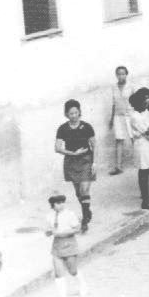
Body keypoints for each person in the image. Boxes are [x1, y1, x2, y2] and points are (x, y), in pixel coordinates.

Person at [55, 99, 96, 233]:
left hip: (86, 160)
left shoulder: (87, 127)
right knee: (78, 192)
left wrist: (95, 162)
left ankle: (84, 220)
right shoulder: (62, 129)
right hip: (71, 162)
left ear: (80, 113)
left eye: (76, 112)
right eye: (70, 113)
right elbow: (57, 148)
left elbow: (95, 145)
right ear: (66, 114)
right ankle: (87, 210)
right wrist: (72, 153)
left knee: (84, 190)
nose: (73, 115)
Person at [45, 194, 87, 297]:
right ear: (53, 205)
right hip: (57, 246)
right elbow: (48, 230)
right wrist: (48, 232)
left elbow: (77, 228)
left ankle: (82, 284)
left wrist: (63, 233)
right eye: (58, 203)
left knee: (72, 270)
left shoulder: (69, 214)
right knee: (58, 273)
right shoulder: (49, 216)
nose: (61, 205)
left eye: (62, 202)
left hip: (69, 244)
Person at [128, 88, 149, 210]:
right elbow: (148, 132)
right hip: (141, 146)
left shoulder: (146, 112)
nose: (148, 100)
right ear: (139, 101)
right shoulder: (134, 116)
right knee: (144, 172)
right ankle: (145, 201)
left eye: (148, 98)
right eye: (145, 99)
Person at [108, 66, 134, 176]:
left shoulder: (131, 87)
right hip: (118, 116)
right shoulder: (114, 87)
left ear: (126, 74)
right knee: (119, 140)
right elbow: (114, 103)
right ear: (116, 75)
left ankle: (141, 161)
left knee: (134, 138)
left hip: (129, 115)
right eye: (119, 74)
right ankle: (118, 167)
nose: (121, 76)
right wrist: (111, 119)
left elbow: (135, 101)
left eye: (123, 74)